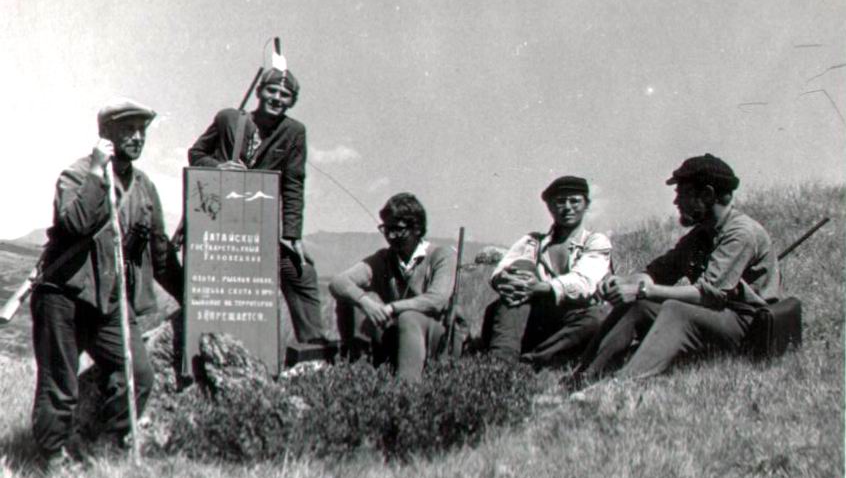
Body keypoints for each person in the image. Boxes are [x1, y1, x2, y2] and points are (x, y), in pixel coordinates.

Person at [31, 100, 183, 469]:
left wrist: (189, 296)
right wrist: (98, 172)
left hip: (110, 301)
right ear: (107, 134)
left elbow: (159, 253)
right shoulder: (77, 174)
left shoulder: (144, 187)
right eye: (128, 129)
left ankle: (106, 447)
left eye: (142, 130)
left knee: (138, 374)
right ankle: (52, 458)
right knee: (60, 383)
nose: (137, 137)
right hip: (63, 296)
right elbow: (76, 223)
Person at [576, 154, 779, 382]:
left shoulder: (740, 233)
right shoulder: (702, 233)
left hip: (746, 323)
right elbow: (659, 272)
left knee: (676, 310)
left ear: (707, 194)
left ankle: (622, 383)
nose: (676, 202)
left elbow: (708, 295)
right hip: (718, 316)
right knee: (639, 305)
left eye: (682, 193)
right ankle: (583, 375)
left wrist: (643, 290)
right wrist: (623, 283)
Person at [188, 53, 326, 343]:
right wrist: (219, 167)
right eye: (272, 91)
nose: (277, 98)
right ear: (260, 92)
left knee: (301, 273)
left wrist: (293, 235)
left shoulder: (294, 132)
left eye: (285, 95)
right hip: (218, 223)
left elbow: (293, 184)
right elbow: (196, 154)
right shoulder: (229, 119)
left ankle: (313, 350)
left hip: (259, 226)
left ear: (292, 101)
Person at [481, 176, 612, 366]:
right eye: (560, 201)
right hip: (534, 317)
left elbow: (583, 282)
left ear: (586, 204)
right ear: (550, 206)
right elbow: (502, 269)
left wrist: (539, 287)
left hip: (573, 319)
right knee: (516, 284)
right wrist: (506, 281)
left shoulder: (595, 242)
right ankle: (501, 362)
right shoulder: (532, 242)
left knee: (597, 318)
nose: (567, 207)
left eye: (574, 201)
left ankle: (532, 360)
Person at [329, 193, 456, 382]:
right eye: (386, 229)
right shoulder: (384, 258)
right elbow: (338, 282)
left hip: (435, 335)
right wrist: (365, 302)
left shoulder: (441, 255)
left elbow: (436, 300)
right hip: (397, 332)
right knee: (350, 297)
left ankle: (408, 387)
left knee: (409, 316)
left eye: (398, 230)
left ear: (417, 229)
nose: (390, 236)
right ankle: (357, 367)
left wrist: (393, 308)